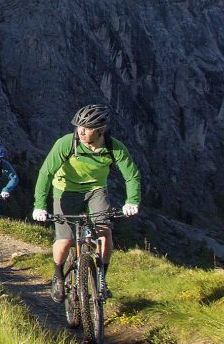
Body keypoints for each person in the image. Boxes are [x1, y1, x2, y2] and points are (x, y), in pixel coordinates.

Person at [30, 104, 143, 302]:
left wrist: (132, 201)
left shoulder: (113, 147)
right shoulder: (67, 143)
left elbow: (131, 176)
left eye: (87, 128)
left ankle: (101, 278)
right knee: (65, 240)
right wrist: (39, 205)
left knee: (104, 232)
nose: (81, 131)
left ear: (101, 130)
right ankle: (58, 275)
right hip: (66, 190)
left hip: (96, 190)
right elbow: (46, 173)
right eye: (79, 127)